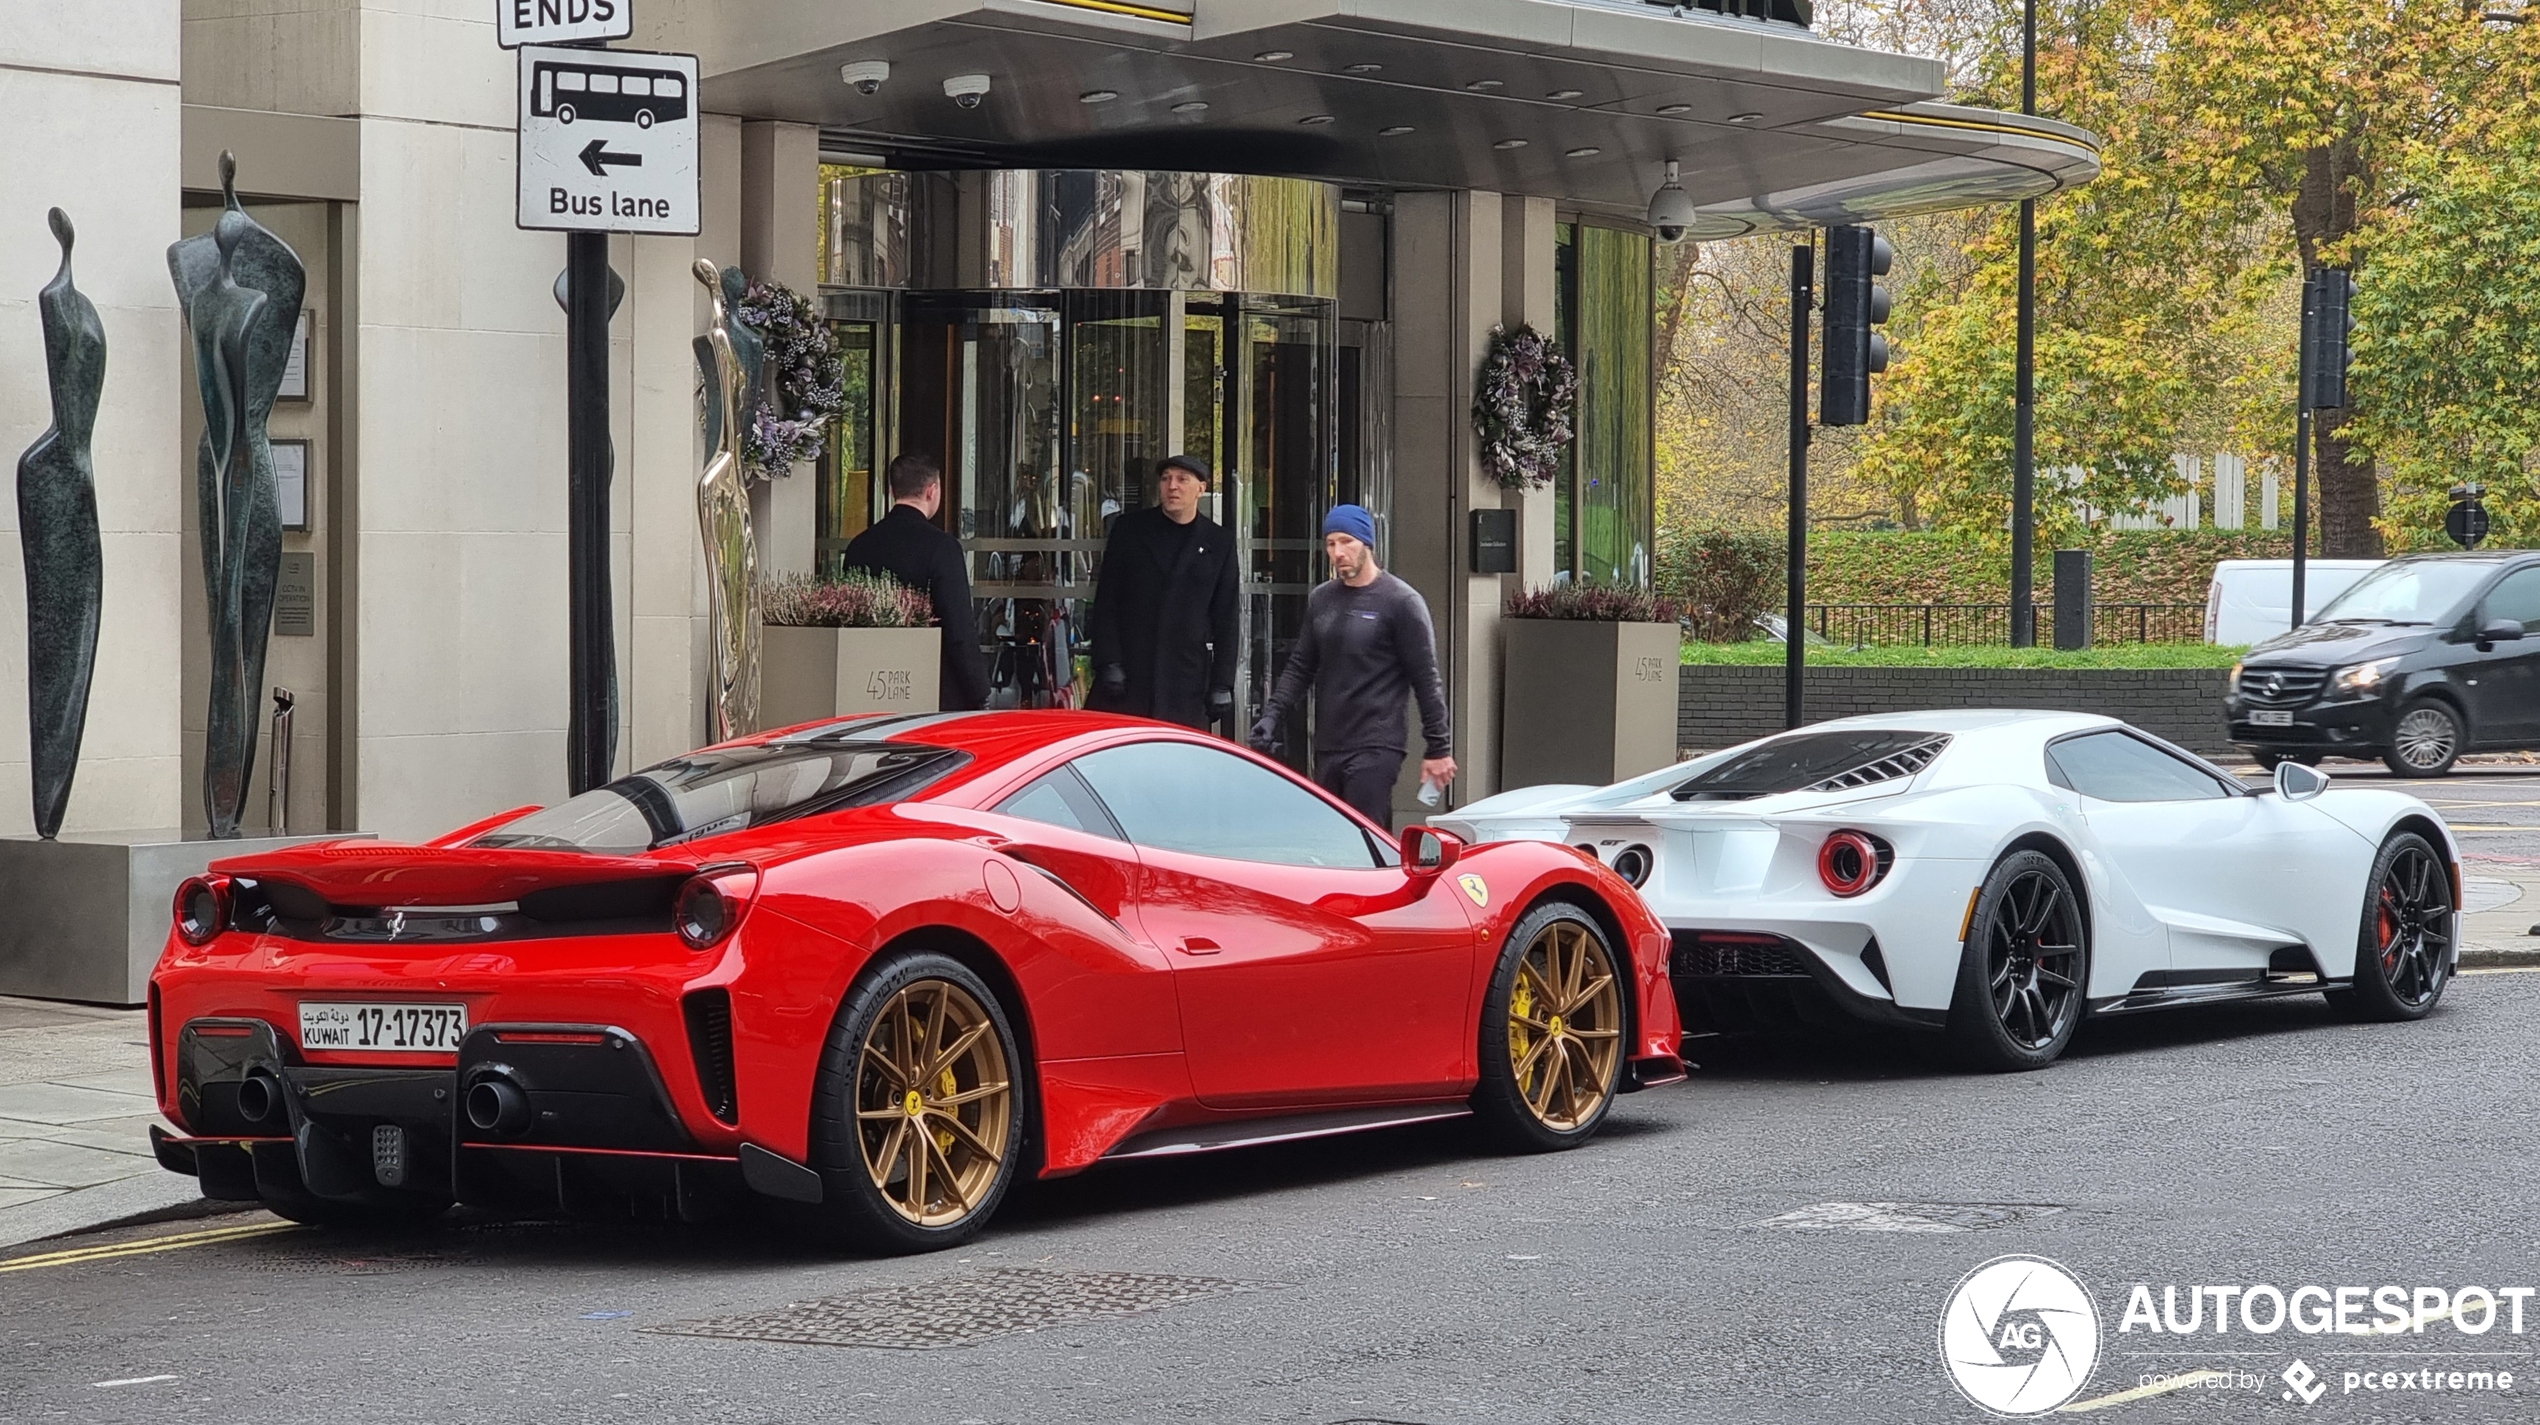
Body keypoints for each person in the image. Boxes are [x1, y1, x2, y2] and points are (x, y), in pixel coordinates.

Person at [1250, 505, 1456, 829]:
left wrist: (1439, 748)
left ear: (1367, 544)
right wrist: (1272, 715)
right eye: (1331, 544)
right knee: (1331, 838)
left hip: (1377, 743)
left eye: (1347, 541)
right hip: (1329, 742)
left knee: (1365, 834)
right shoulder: (1322, 599)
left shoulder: (1401, 602)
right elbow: (1301, 666)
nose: (1338, 552)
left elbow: (1426, 680)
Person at [1086, 454, 1240, 731]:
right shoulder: (1130, 530)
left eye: (1182, 480)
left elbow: (1227, 618)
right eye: (1166, 478)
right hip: (1129, 673)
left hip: (1185, 678)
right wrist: (1109, 661)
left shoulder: (1219, 542)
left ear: (1201, 489)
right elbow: (1107, 600)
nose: (1172, 486)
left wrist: (1221, 684)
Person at [840, 453, 988, 711]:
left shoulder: (859, 546)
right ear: (932, 491)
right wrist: (979, 690)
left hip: (868, 686)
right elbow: (958, 628)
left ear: (891, 491)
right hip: (933, 691)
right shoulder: (942, 547)